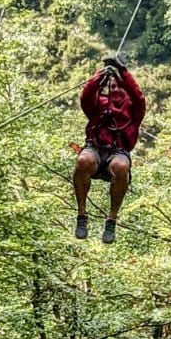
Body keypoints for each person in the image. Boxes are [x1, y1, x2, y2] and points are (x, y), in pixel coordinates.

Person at [73, 55, 146, 244]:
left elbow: (138, 96)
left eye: (119, 87)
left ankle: (112, 218)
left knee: (121, 167)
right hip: (95, 148)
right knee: (83, 161)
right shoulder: (99, 105)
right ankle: (81, 214)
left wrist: (122, 71)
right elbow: (85, 96)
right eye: (112, 87)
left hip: (118, 152)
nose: (115, 90)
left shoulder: (134, 110)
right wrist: (100, 76)